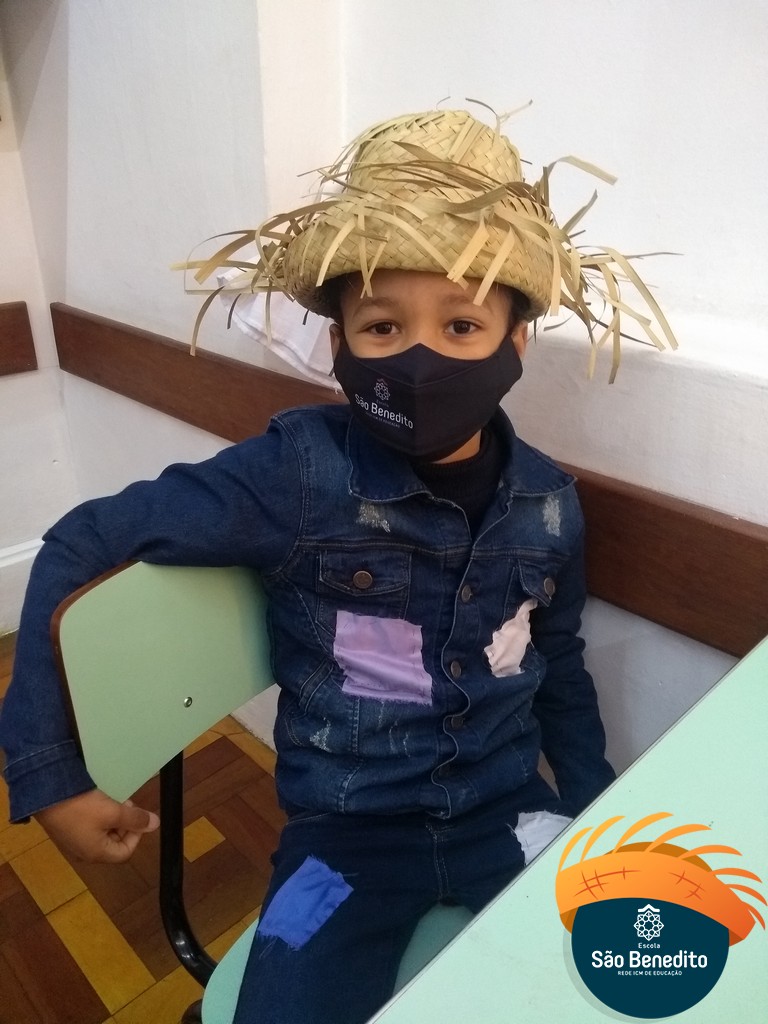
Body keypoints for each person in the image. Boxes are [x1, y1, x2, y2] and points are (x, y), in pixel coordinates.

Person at [0, 108, 676, 1024]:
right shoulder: (295, 474)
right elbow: (83, 541)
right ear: (339, 344)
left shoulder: (551, 503)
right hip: (346, 840)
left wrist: (596, 806)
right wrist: (49, 775)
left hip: (508, 813)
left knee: (645, 977)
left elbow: (558, 662)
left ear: (516, 342)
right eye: (383, 327)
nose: (422, 357)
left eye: (463, 324)